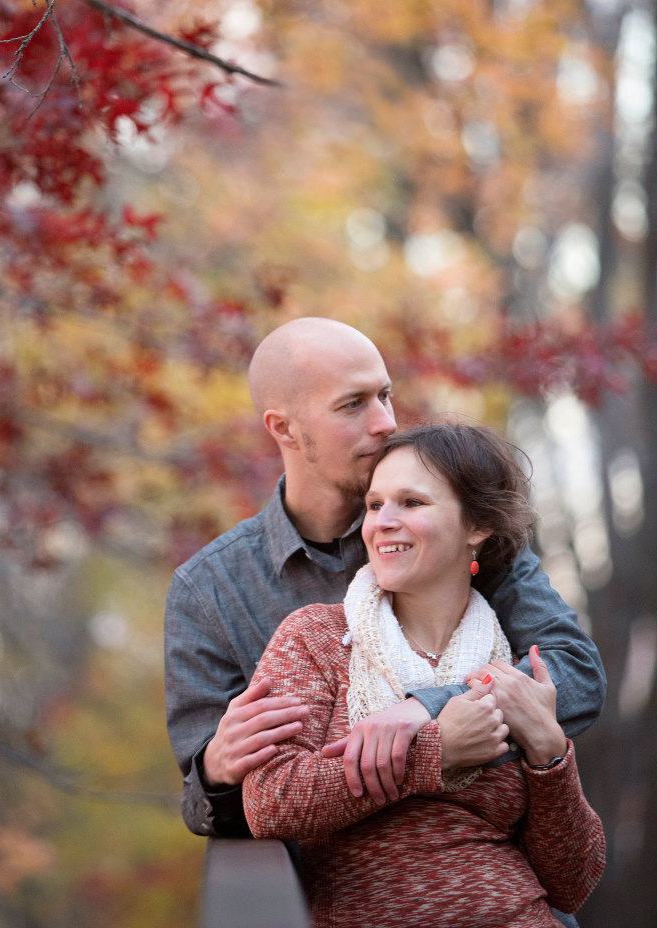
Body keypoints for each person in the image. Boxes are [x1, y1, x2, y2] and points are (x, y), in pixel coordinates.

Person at [163, 318, 605, 848]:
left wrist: (427, 707)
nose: (384, 423)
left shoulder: (452, 530)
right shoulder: (209, 588)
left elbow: (575, 675)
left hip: (506, 875)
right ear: (283, 428)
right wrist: (215, 771)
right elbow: (208, 806)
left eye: (385, 395)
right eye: (353, 405)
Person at [242, 423, 606, 928]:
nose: (381, 522)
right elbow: (272, 802)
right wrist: (433, 752)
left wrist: (548, 751)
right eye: (374, 505)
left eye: (411, 503)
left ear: (476, 525)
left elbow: (571, 880)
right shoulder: (318, 639)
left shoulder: (514, 661)